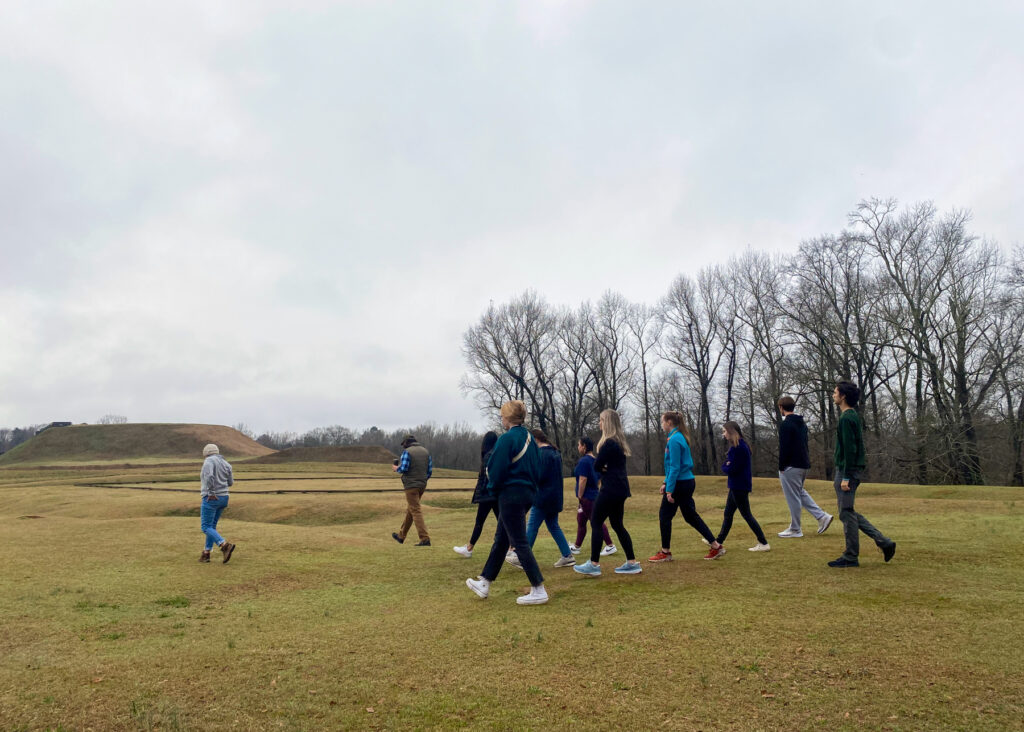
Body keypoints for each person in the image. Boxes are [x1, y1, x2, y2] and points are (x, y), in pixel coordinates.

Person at [466, 400, 549, 605]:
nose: (501, 419)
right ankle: (485, 581)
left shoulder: (506, 439)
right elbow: (538, 468)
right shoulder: (531, 438)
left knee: (518, 542)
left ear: (507, 418)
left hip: (511, 494)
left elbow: (495, 469)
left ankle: (538, 588)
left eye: (502, 416)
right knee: (502, 538)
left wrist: (493, 489)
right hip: (528, 493)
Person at [829, 381, 896, 567]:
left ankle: (851, 556)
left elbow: (850, 450)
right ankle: (883, 542)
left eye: (835, 393)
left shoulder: (846, 419)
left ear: (843, 396)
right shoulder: (851, 417)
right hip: (849, 469)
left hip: (847, 470)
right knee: (847, 512)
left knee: (846, 512)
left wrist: (845, 477)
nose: (833, 395)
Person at [573, 409, 642, 577]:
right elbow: (602, 465)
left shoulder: (609, 443)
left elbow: (597, 466)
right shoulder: (618, 443)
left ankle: (594, 564)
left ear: (608, 423)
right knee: (617, 525)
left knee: (596, 522)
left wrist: (604, 467)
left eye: (601, 420)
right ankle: (632, 562)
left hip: (610, 488)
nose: (599, 423)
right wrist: (604, 467)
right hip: (620, 488)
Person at [648, 411, 723, 562]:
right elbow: (671, 466)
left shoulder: (675, 439)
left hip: (680, 483)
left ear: (669, 422)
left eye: (663, 421)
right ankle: (716, 546)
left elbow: (675, 467)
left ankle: (665, 552)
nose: (662, 424)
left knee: (665, 516)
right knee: (690, 516)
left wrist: (669, 489)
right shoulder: (678, 437)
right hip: (685, 481)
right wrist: (665, 482)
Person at [507, 429, 575, 568]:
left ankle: (522, 557)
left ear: (535, 439)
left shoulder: (542, 454)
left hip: (543, 497)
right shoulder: (555, 452)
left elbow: (538, 476)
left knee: (532, 526)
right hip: (554, 497)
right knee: (553, 526)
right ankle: (567, 555)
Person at [776, 395, 832, 538]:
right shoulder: (802, 423)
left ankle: (795, 529)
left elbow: (785, 447)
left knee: (793, 497)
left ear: (781, 408)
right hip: (803, 464)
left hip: (791, 466)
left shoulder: (786, 425)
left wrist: (781, 466)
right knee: (799, 492)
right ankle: (822, 517)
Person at [714, 421, 771, 553]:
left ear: (731, 431)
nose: (723, 434)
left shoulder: (738, 448)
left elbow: (731, 468)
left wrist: (725, 466)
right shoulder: (740, 446)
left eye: (724, 431)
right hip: (737, 485)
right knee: (728, 514)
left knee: (746, 514)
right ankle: (718, 541)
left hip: (739, 485)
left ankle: (763, 542)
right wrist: (727, 464)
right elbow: (730, 465)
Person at [453, 432, 499, 558]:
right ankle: (512, 547)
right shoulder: (495, 454)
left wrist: (480, 494)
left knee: (480, 521)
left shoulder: (488, 456)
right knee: (502, 521)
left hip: (487, 494)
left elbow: (485, 478)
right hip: (493, 494)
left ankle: (469, 548)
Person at [568, 436, 615, 557]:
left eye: (579, 445)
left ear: (584, 446)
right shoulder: (596, 460)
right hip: (593, 495)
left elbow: (583, 479)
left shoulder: (584, 461)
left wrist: (580, 495)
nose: (578, 447)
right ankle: (577, 546)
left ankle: (610, 545)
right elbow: (599, 478)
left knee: (596, 522)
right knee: (581, 521)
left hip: (587, 498)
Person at [391, 435, 433, 547]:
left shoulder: (407, 452)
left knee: (415, 510)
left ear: (406, 442)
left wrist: (396, 469)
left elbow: (404, 468)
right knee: (411, 509)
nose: (403, 446)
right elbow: (429, 471)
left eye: (403, 444)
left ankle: (425, 539)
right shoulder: (425, 452)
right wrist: (422, 480)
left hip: (411, 486)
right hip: (422, 485)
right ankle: (401, 536)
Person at [199, 443, 235, 564]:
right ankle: (206, 553)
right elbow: (230, 482)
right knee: (211, 526)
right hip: (224, 497)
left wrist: (211, 492)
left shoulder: (209, 461)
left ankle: (224, 545)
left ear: (206, 453)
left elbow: (209, 476)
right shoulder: (226, 463)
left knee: (205, 527)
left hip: (212, 498)